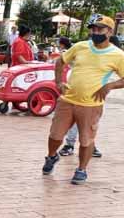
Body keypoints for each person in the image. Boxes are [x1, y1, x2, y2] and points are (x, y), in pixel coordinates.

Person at [43, 14, 124, 184]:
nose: (95, 32)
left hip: (91, 105)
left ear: (109, 32)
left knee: (86, 139)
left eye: (99, 29)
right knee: (55, 135)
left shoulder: (117, 55)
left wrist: (109, 86)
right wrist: (59, 82)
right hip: (67, 100)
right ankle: (51, 157)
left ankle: (81, 170)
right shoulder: (80, 47)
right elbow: (60, 62)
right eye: (93, 29)